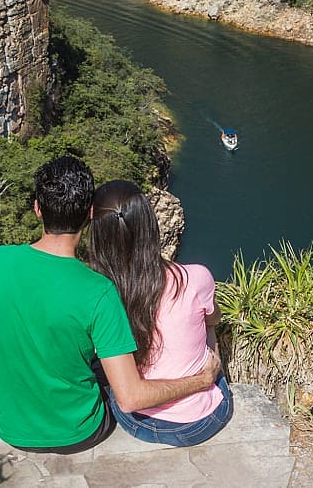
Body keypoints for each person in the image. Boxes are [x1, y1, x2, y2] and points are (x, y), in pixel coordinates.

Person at [0, 156, 220, 453]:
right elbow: (130, 398)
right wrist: (202, 379)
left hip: (8, 425)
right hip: (77, 432)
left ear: (37, 208)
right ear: (90, 214)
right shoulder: (98, 291)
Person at [86, 180, 233, 446]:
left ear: (96, 235)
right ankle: (210, 369)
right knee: (206, 321)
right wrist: (204, 378)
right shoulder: (195, 277)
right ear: (150, 227)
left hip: (137, 422)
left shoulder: (98, 296)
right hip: (202, 421)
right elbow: (215, 319)